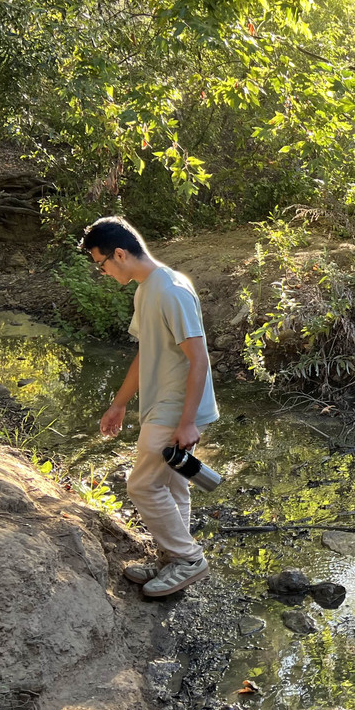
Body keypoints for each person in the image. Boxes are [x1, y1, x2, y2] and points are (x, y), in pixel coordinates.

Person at [81, 216, 218, 597]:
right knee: (172, 484)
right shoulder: (146, 289)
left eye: (101, 263)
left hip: (176, 408)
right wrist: (119, 405)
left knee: (141, 485)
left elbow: (199, 358)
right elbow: (147, 352)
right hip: (161, 404)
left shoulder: (171, 289)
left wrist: (188, 422)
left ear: (119, 254)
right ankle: (172, 558)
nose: (103, 271)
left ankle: (189, 559)